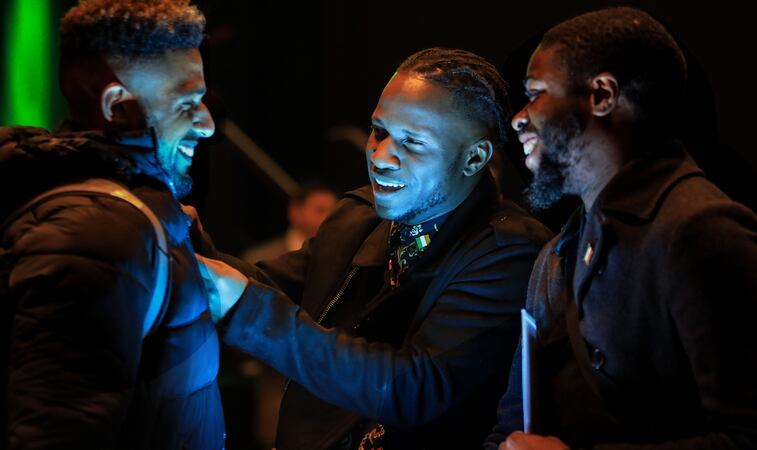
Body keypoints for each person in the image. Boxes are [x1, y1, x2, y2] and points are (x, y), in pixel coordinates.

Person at [193, 48, 553, 449]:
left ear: (474, 158)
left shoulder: (510, 252)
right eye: (378, 131)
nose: (380, 156)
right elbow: (271, 286)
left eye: (412, 142)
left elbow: (416, 387)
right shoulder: (356, 216)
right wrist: (190, 246)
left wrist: (248, 308)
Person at [485, 7, 757, 450]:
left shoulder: (702, 229)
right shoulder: (556, 257)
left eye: (535, 93)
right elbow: (513, 427)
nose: (518, 118)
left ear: (602, 94)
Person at [0, 1, 225, 448]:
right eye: (187, 102)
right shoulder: (100, 237)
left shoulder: (127, 220)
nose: (208, 125)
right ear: (118, 105)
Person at [241, 183, 338, 263]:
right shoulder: (262, 258)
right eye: (320, 210)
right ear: (295, 211)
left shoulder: (340, 256)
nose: (328, 217)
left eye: (333, 211)